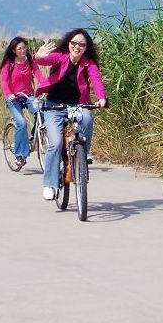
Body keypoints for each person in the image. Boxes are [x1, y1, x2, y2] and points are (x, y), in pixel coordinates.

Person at [34, 28, 107, 200]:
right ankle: (49, 184)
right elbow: (44, 61)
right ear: (69, 44)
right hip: (54, 107)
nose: (77, 47)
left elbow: (96, 80)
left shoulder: (88, 63)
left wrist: (101, 98)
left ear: (86, 47)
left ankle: (84, 152)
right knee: (56, 143)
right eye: (74, 43)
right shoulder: (60, 57)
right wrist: (39, 56)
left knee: (87, 117)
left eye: (82, 44)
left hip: (76, 105)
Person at [0, 37, 43, 167]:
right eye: (20, 48)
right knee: (21, 123)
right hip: (14, 98)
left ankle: (34, 135)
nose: (23, 50)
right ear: (14, 50)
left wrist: (46, 86)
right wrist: (9, 94)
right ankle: (19, 155)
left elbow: (39, 75)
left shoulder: (30, 60)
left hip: (28, 96)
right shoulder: (9, 63)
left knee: (42, 111)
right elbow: (4, 81)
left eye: (24, 47)